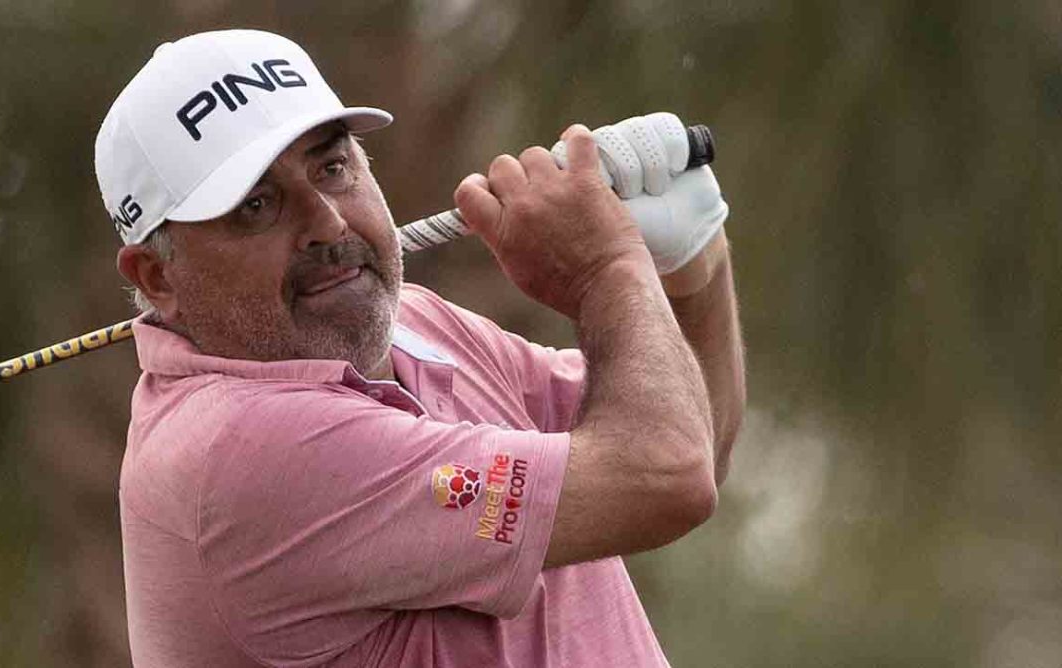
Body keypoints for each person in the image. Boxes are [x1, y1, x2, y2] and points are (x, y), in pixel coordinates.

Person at [97, 29, 744, 667]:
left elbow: (685, 433)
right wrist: (607, 269)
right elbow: (662, 477)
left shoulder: (414, 324)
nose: (327, 222)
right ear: (158, 277)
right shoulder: (237, 453)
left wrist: (694, 263)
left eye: (332, 167)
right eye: (258, 206)